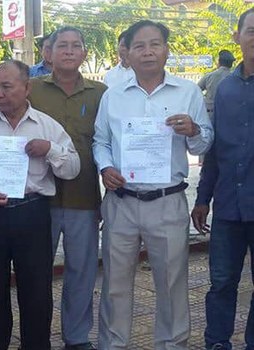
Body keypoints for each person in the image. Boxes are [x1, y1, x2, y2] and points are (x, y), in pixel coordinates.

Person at [93, 20, 213, 349]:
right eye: (139, 46)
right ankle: (112, 344)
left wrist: (194, 131)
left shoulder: (187, 92)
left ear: (167, 50)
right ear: (127, 53)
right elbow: (100, 141)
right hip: (122, 200)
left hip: (167, 201)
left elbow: (204, 144)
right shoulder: (113, 96)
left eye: (155, 44)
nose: (148, 51)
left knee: (172, 281)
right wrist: (105, 167)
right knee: (115, 283)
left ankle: (172, 345)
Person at [0, 60, 80, 350]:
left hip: (32, 213)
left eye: (7, 86)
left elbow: (73, 168)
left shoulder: (46, 126)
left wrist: (49, 150)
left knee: (36, 289)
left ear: (26, 88)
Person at [28, 26, 107, 350]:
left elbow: (107, 143)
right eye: (62, 45)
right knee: (35, 275)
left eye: (77, 45)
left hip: (83, 198)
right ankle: (37, 336)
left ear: (85, 53)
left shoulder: (101, 94)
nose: (70, 51)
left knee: (81, 273)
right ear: (48, 52)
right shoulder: (31, 89)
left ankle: (76, 337)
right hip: (37, 198)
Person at [191, 8, 254, 350]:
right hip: (229, 206)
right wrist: (203, 198)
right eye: (251, 30)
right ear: (238, 37)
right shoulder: (225, 89)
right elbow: (214, 148)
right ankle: (217, 343)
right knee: (221, 282)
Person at [198, 49, 235, 121]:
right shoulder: (235, 78)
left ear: (219, 62)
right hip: (229, 115)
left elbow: (196, 89)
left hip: (209, 114)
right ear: (231, 64)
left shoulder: (209, 76)